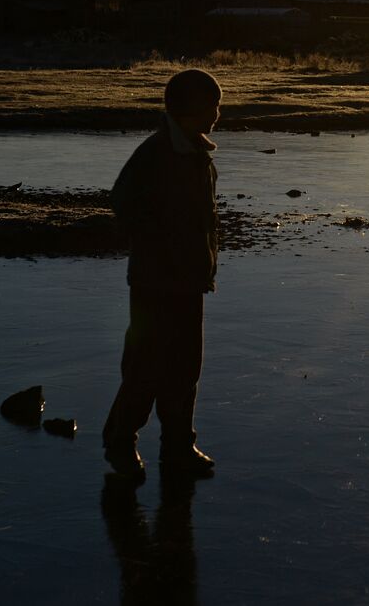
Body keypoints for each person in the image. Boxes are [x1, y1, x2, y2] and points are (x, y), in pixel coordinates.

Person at [103, 69, 222, 483]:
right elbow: (123, 201)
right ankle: (121, 440)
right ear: (191, 109)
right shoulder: (156, 153)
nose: (217, 114)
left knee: (186, 368)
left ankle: (178, 446)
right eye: (212, 105)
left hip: (190, 282)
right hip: (156, 283)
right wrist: (158, 243)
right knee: (146, 367)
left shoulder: (197, 154)